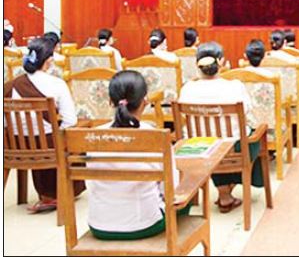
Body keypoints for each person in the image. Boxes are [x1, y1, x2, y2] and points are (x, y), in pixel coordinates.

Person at [86, 71, 186, 240]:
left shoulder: (91, 137)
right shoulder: (156, 136)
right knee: (186, 202)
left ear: (110, 101)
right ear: (145, 101)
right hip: (143, 224)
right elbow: (171, 190)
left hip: (99, 225)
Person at [178, 42, 264, 213]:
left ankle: (224, 193)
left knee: (215, 141)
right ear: (222, 62)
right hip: (233, 150)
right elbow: (247, 111)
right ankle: (226, 193)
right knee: (252, 138)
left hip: (199, 149)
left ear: (197, 64)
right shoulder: (235, 86)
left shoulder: (187, 88)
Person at [3, 38, 84, 213]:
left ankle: (47, 194)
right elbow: (70, 121)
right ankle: (59, 192)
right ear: (48, 60)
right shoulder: (57, 84)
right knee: (66, 138)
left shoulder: (9, 86)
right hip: (47, 147)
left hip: (14, 147)